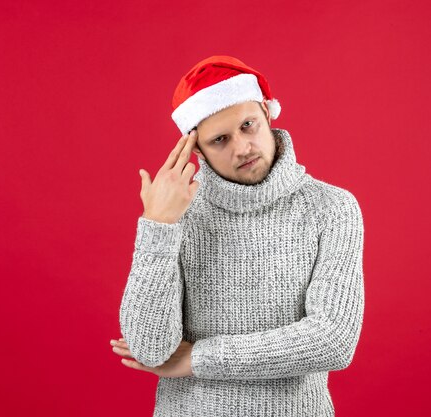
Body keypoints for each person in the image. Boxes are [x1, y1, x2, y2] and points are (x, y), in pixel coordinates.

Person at [110, 55, 365, 417]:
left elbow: (333, 340)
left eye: (248, 125)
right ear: (196, 148)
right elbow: (150, 349)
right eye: (220, 140)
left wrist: (198, 358)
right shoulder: (177, 215)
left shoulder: (331, 208)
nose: (242, 147)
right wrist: (158, 225)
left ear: (266, 112)